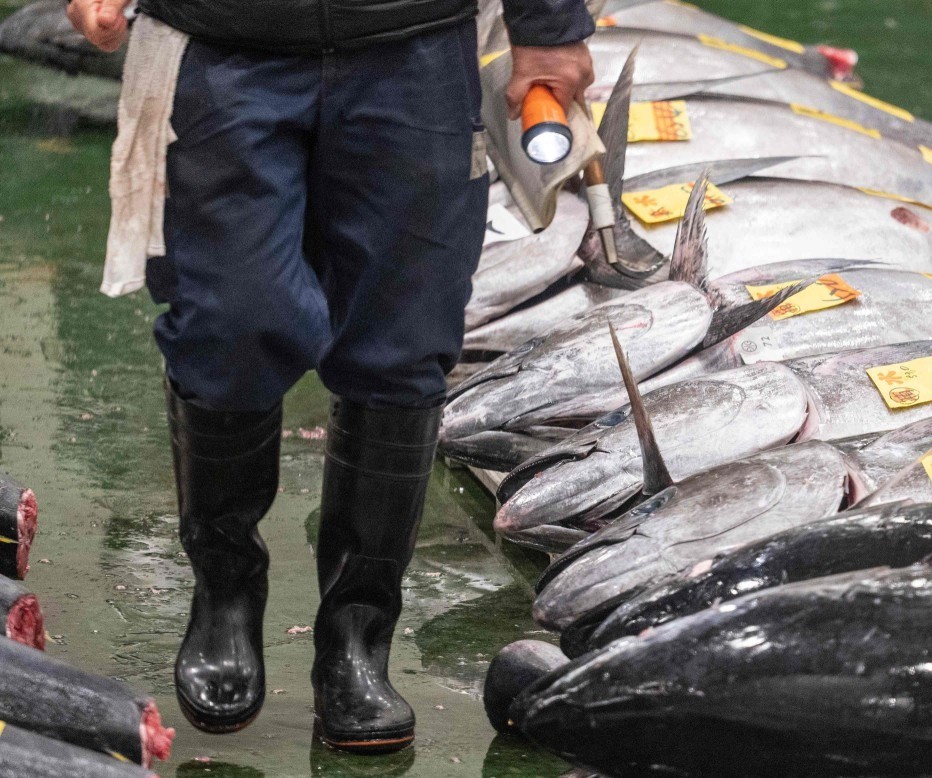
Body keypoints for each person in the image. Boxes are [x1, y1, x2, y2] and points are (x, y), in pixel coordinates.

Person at [67, 0, 595, 754]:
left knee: (402, 341)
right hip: (220, 44)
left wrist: (548, 22)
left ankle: (357, 636)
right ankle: (224, 593)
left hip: (414, 47)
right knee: (229, 321)